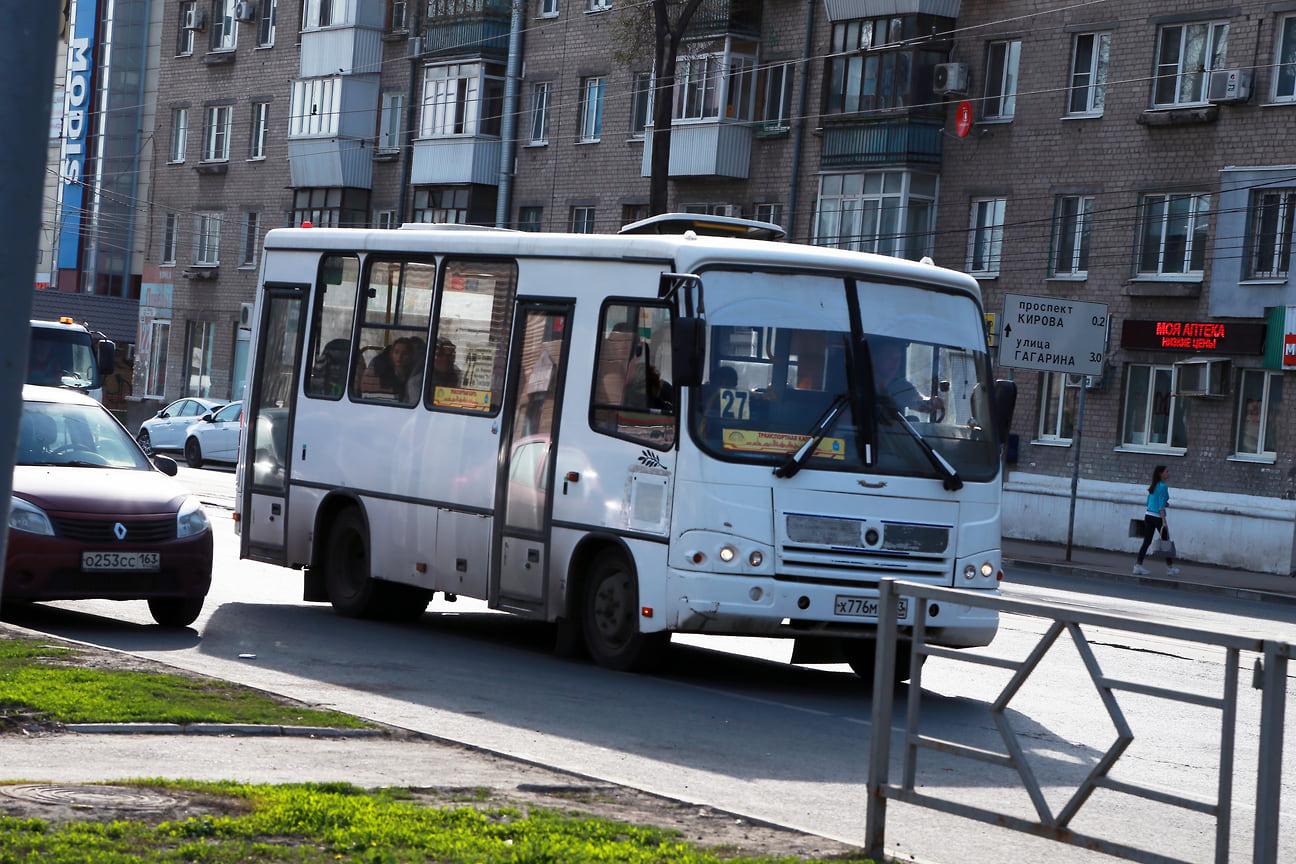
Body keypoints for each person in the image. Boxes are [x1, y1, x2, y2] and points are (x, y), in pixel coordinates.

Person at [871, 337, 943, 418]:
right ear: (874, 358)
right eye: (889, 357)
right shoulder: (860, 384)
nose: (894, 363)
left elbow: (917, 401)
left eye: (897, 358)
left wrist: (931, 402)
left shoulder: (901, 387)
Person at [1134, 464, 1180, 576]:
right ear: (1161, 474)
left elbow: (1150, 502)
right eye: (1167, 471)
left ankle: (1138, 566)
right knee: (1166, 542)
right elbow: (1160, 506)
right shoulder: (1163, 487)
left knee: (1147, 542)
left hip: (1148, 515)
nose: (1169, 473)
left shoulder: (1153, 486)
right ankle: (1170, 568)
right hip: (1157, 517)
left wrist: (1165, 504)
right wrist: (1164, 521)